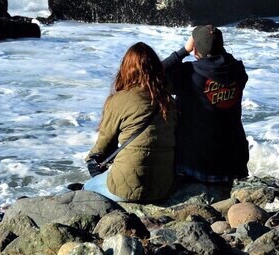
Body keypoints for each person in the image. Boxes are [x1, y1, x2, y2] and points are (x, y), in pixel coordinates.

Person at [82, 42, 177, 203]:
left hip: (127, 189)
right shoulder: (169, 102)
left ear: (127, 68)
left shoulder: (120, 99)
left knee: (86, 189)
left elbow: (103, 144)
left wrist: (92, 161)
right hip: (163, 187)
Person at [162, 25, 249, 196]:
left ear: (195, 49)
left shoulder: (188, 74)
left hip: (197, 167)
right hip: (231, 166)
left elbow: (151, 74)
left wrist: (183, 51)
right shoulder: (238, 70)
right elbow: (225, 60)